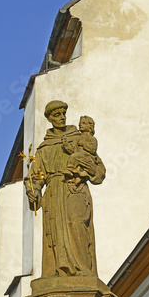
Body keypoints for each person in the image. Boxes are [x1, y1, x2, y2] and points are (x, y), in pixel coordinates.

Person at [24, 100, 105, 278]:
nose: (61, 118)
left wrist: (88, 169)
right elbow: (34, 177)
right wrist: (33, 190)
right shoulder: (44, 149)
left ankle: (83, 270)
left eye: (63, 114)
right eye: (56, 115)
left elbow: (99, 172)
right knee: (54, 236)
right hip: (53, 195)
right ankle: (57, 274)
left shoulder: (80, 139)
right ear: (49, 119)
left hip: (76, 190)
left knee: (78, 227)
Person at [63, 115, 98, 184]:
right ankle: (78, 177)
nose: (80, 125)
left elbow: (93, 149)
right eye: (80, 123)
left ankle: (69, 169)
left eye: (84, 123)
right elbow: (72, 149)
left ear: (90, 126)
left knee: (74, 156)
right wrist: (66, 145)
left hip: (88, 158)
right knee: (74, 156)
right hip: (78, 158)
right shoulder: (77, 138)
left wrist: (83, 144)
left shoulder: (92, 139)